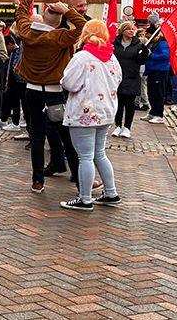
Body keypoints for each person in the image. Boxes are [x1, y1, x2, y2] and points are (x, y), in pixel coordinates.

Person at [15, 0, 85, 193]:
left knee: (36, 137)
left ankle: (37, 181)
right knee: (66, 137)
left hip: (31, 91)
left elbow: (20, 13)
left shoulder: (26, 31)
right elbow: (82, 26)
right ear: (58, 22)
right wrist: (68, 10)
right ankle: (81, 181)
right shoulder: (59, 36)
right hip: (54, 93)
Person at [59, 20, 123, 211]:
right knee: (99, 153)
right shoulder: (112, 57)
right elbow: (117, 79)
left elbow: (69, 83)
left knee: (85, 156)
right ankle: (111, 192)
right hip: (105, 111)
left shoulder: (82, 57)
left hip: (84, 112)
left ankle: (85, 198)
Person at [112, 21, 148, 138]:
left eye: (133, 29)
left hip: (132, 78)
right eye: (129, 29)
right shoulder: (115, 44)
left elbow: (141, 61)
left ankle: (127, 127)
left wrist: (145, 52)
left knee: (129, 104)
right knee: (118, 104)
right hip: (117, 78)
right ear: (123, 31)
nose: (132, 31)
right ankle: (117, 125)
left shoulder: (137, 45)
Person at [0, 23, 26, 132]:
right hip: (18, 77)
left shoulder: (20, 43)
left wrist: (15, 73)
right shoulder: (20, 42)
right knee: (16, 100)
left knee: (17, 100)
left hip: (18, 77)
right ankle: (15, 121)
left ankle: (16, 123)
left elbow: (16, 61)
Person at [143, 22, 170, 124]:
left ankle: (159, 114)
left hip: (160, 70)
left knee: (158, 93)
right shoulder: (155, 42)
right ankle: (153, 112)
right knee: (151, 92)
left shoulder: (163, 43)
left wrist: (151, 55)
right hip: (153, 70)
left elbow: (165, 56)